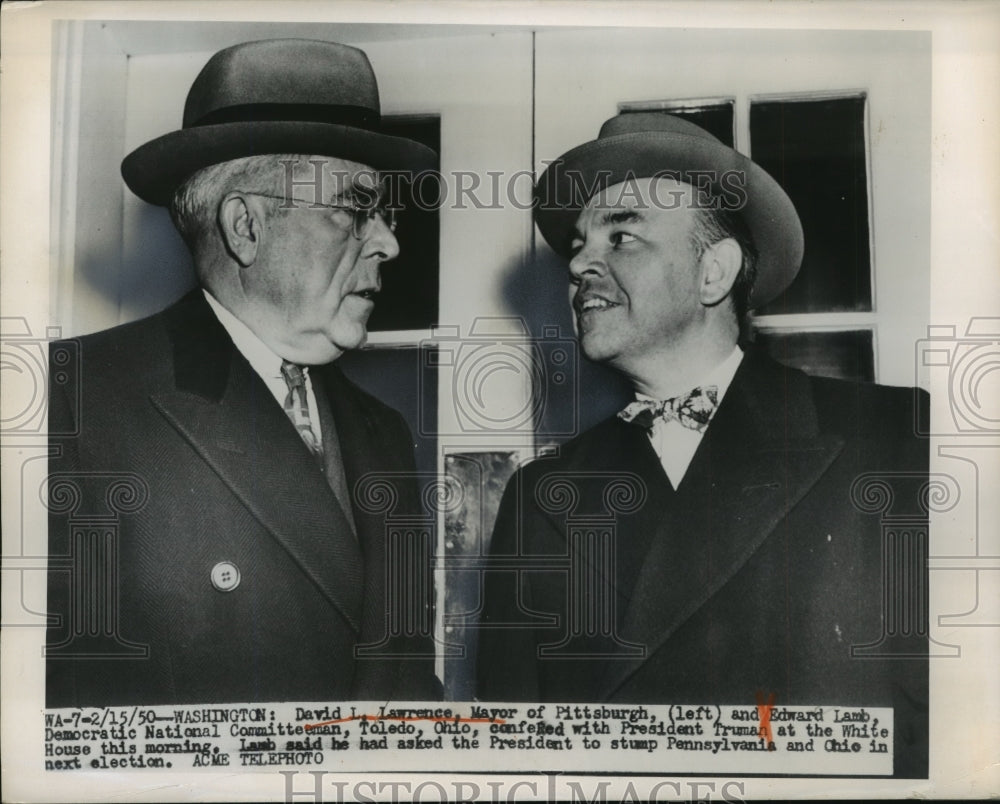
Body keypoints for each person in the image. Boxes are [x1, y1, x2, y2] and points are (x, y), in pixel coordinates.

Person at [476, 113, 928, 777]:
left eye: (622, 234)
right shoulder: (540, 496)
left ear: (714, 272)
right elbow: (510, 754)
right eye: (578, 243)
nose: (577, 264)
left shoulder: (897, 439)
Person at [46, 39, 440, 706]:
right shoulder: (73, 399)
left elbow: (406, 691)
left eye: (383, 212)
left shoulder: (385, 435)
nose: (389, 242)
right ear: (246, 226)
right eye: (355, 207)